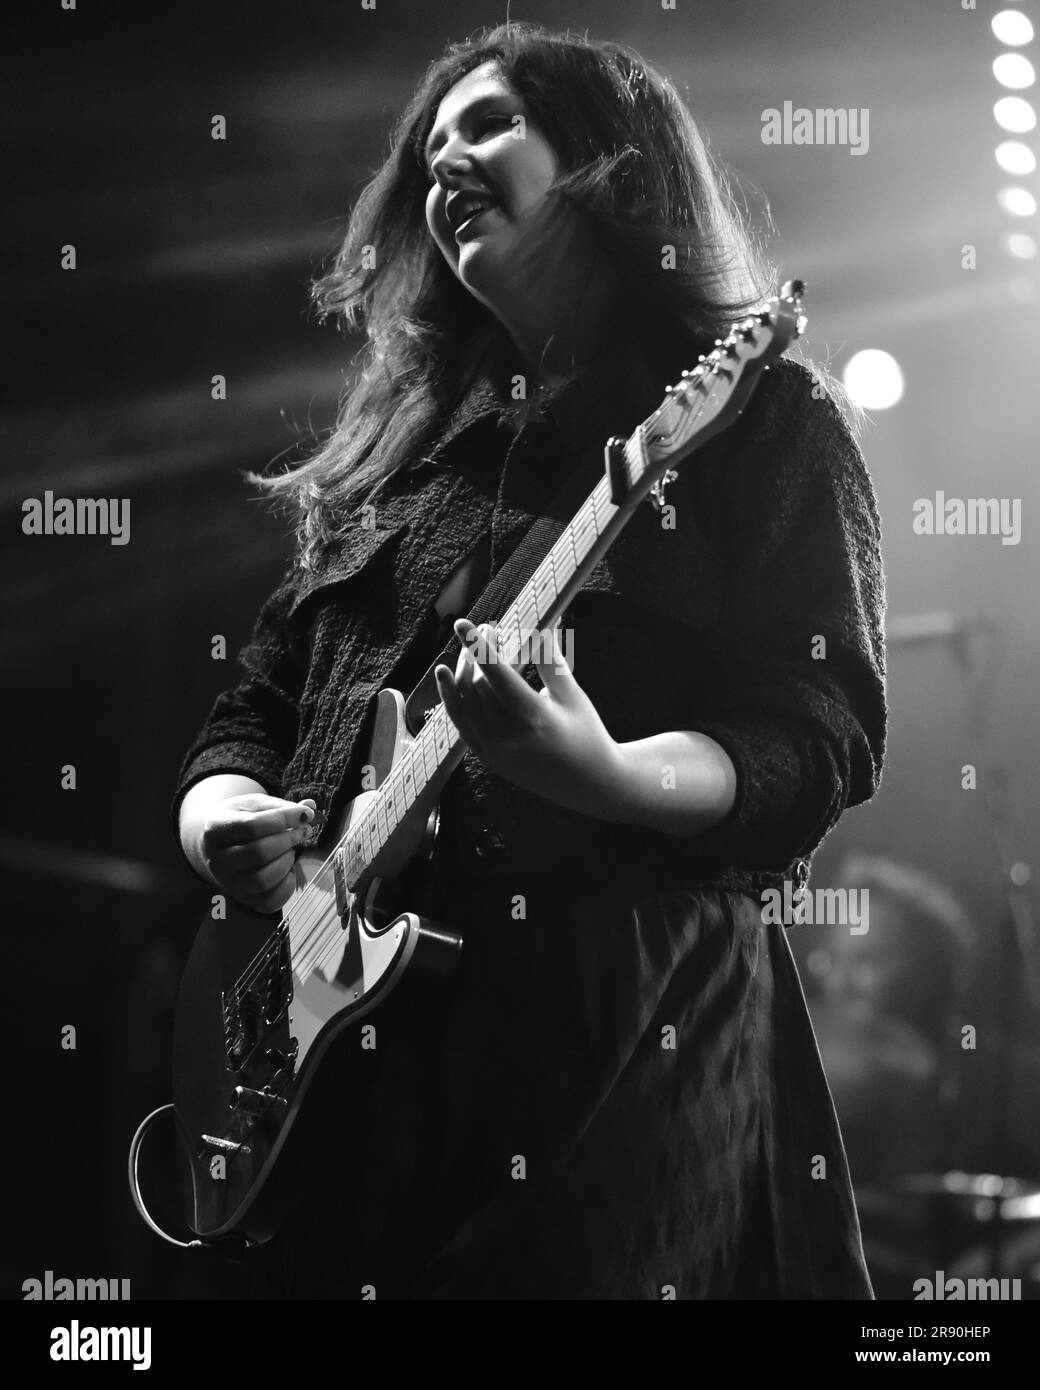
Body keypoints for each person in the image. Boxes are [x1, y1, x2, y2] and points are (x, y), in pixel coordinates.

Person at [173, 22, 887, 1299]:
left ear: (611, 163)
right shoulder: (398, 461)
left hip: (626, 1024)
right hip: (357, 1052)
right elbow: (254, 703)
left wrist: (600, 771)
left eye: (491, 125)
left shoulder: (755, 415)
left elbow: (815, 727)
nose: (447, 160)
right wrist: (219, 814)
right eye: (429, 150)